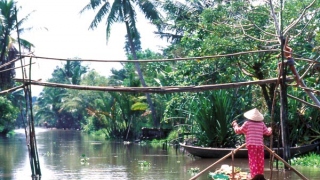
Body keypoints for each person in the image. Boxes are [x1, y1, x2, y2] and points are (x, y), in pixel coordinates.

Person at [231, 108, 272, 179]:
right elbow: (267, 132)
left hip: (251, 145)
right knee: (260, 161)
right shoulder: (261, 124)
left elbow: (238, 131)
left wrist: (235, 125)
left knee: (253, 161)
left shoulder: (247, 123)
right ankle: (260, 177)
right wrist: (270, 129)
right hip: (260, 145)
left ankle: (254, 176)